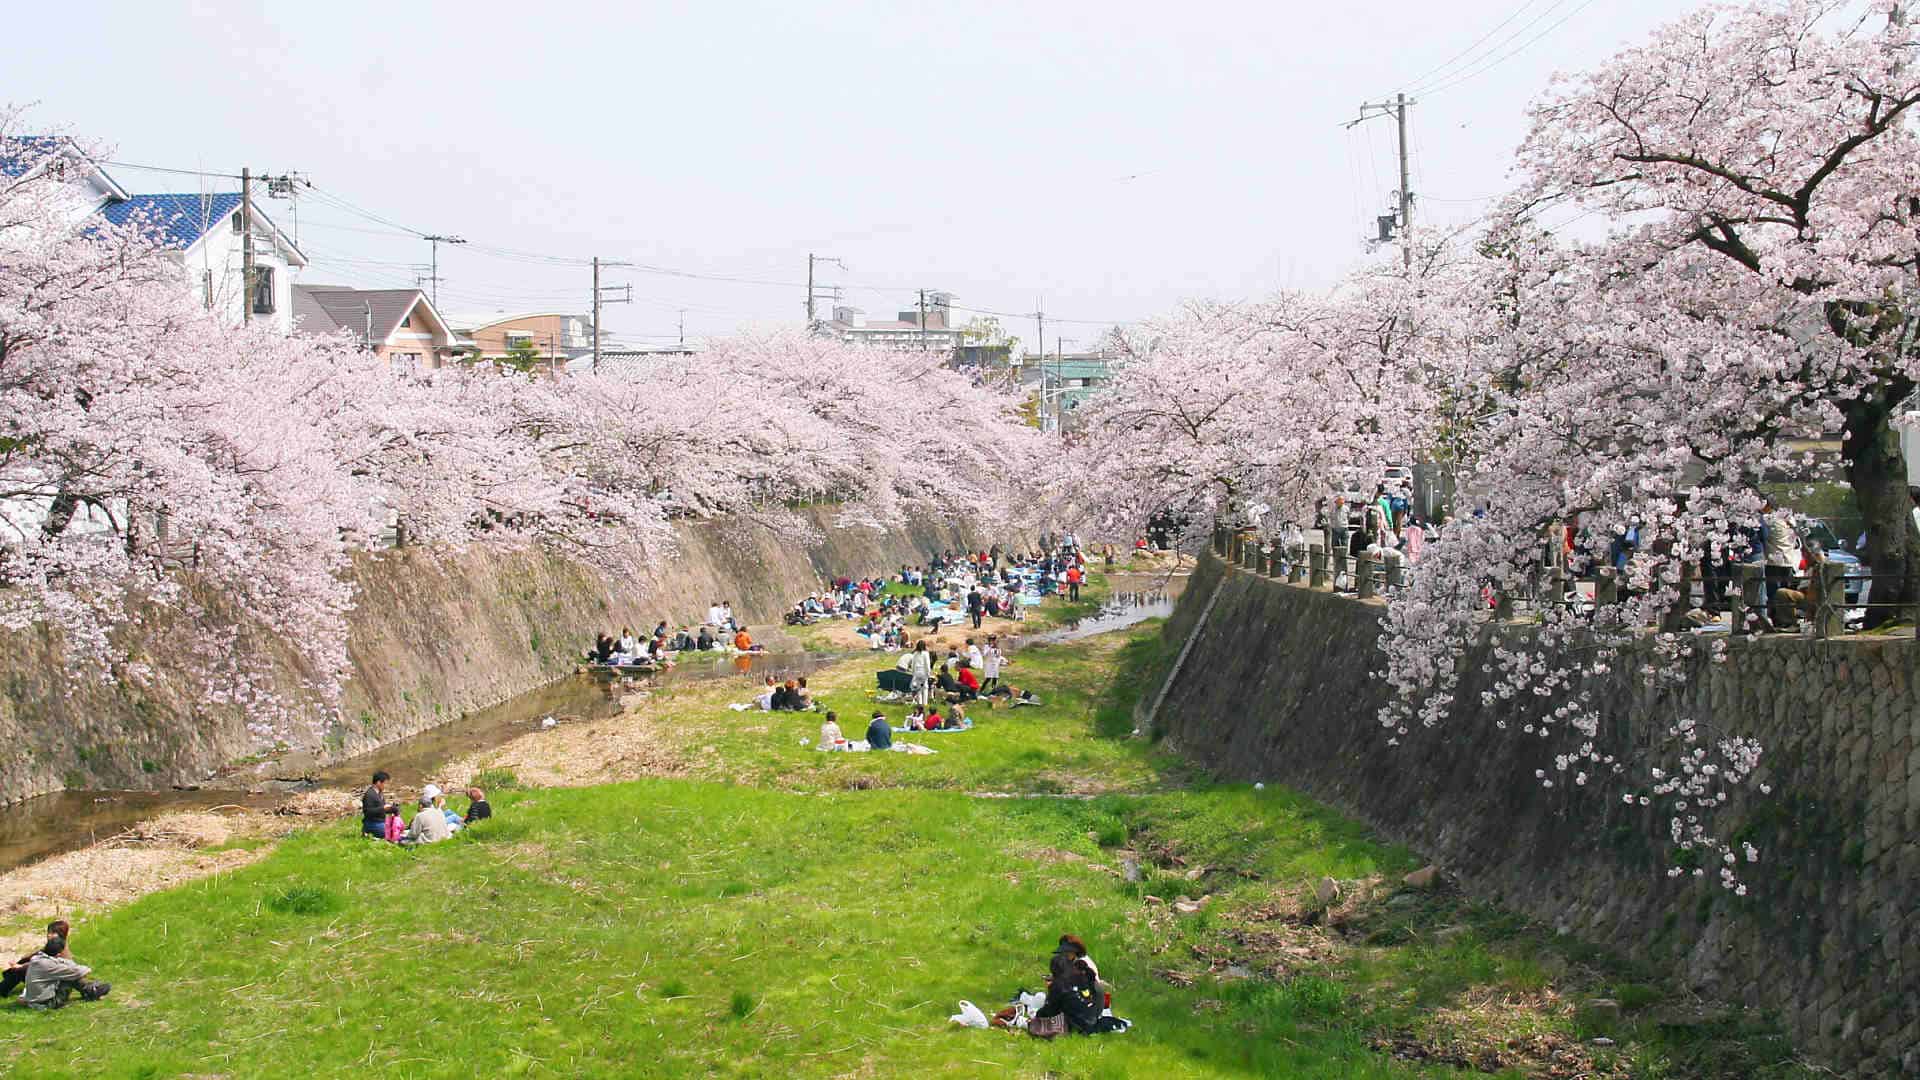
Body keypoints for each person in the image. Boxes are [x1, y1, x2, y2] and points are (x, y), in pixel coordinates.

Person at [21, 937, 109, 1009]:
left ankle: (90, 990)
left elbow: (63, 962)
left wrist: (72, 965)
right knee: (69, 977)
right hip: (46, 1003)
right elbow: (76, 972)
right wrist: (87, 969)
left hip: (34, 1000)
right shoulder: (48, 964)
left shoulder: (38, 958)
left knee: (69, 973)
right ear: (59, 953)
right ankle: (91, 991)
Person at [1, 920, 69, 1000]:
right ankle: (8, 978)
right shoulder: (55, 943)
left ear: (61, 934)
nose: (49, 935)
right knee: (23, 961)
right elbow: (41, 954)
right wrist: (25, 959)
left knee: (19, 971)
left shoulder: (59, 949)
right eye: (49, 932)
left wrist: (21, 966)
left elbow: (43, 963)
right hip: (43, 970)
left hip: (50, 978)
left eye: (52, 933)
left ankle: (2, 989)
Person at [361, 770, 391, 839]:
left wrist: (391, 809)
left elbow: (382, 809)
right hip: (372, 823)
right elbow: (367, 812)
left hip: (381, 822)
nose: (386, 786)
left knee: (397, 828)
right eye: (385, 783)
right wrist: (383, 808)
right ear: (378, 783)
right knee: (390, 833)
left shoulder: (380, 793)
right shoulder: (369, 795)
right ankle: (367, 832)